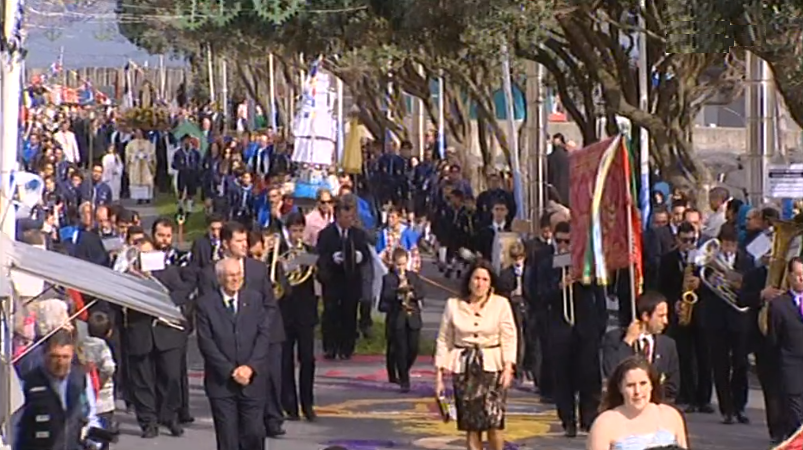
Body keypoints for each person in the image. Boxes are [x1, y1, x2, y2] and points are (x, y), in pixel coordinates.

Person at [434, 260, 517, 450]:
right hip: (464, 370)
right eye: (476, 278)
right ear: (469, 281)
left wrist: (508, 367)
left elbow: (509, 337)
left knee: (494, 422)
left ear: (491, 283)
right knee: (472, 425)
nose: (480, 283)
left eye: (485, 279)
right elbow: (444, 339)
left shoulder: (501, 304)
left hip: (492, 368)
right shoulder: (453, 305)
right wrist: (439, 376)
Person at [195, 258, 273, 450]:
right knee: (228, 439)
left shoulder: (254, 299)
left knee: (254, 433)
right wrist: (231, 371)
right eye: (231, 275)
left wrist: (250, 367)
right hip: (222, 383)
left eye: (239, 274)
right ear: (220, 277)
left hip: (252, 380)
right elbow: (206, 343)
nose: (235, 279)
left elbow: (263, 335)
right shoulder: (205, 304)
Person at [15, 329, 104, 450]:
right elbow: (16, 424)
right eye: (54, 356)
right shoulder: (29, 381)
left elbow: (90, 415)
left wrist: (95, 441)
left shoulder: (80, 378)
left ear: (72, 355)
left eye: (65, 357)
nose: (60, 362)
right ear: (45, 354)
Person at [587, 356, 688, 450]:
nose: (637, 391)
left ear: (652, 385)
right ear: (620, 388)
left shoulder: (671, 415)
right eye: (630, 385)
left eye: (643, 383)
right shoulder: (604, 424)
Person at [316, 194, 372, 360]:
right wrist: (332, 258)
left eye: (351, 217)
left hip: (351, 281)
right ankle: (330, 347)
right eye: (345, 217)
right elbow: (320, 256)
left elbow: (367, 255)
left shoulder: (358, 234)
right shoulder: (326, 234)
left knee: (349, 313)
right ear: (337, 216)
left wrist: (359, 257)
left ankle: (346, 347)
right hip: (333, 281)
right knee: (331, 313)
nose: (349, 220)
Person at [602, 291, 680, 403]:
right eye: (660, 316)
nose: (665, 321)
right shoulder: (615, 339)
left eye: (666, 316)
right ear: (646, 316)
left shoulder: (668, 344)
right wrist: (628, 342)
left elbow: (673, 386)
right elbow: (612, 372)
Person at [279, 212, 319, 421]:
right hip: (285, 313)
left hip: (305, 312)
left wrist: (316, 264)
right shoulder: (279, 253)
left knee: (308, 359)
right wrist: (289, 263)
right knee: (285, 361)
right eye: (293, 231)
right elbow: (277, 279)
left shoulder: (310, 252)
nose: (297, 235)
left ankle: (308, 403)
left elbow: (323, 276)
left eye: (300, 231)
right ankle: (290, 406)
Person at [380, 247, 425, 392]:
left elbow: (422, 291)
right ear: (393, 263)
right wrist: (398, 293)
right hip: (397, 317)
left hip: (412, 317)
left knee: (413, 349)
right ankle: (404, 380)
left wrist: (411, 293)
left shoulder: (413, 276)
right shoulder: (388, 278)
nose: (401, 268)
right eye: (398, 265)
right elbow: (385, 297)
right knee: (401, 349)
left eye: (404, 264)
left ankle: (402, 369)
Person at [767, 256, 803, 438]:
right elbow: (774, 338)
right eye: (798, 275)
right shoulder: (779, 304)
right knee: (797, 415)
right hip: (791, 367)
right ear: (790, 277)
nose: (802, 279)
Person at [79, 312, 117, 430]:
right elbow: (109, 367)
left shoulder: (81, 345)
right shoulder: (103, 347)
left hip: (85, 394)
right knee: (103, 432)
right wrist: (100, 382)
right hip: (103, 399)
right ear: (108, 332)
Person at [125, 128, 156, 205]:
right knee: (137, 182)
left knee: (147, 181)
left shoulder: (148, 143)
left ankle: (147, 197)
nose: (139, 134)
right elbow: (127, 154)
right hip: (136, 165)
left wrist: (146, 155)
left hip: (146, 165)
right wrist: (135, 156)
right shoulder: (131, 144)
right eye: (137, 133)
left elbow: (152, 153)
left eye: (140, 133)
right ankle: (139, 198)